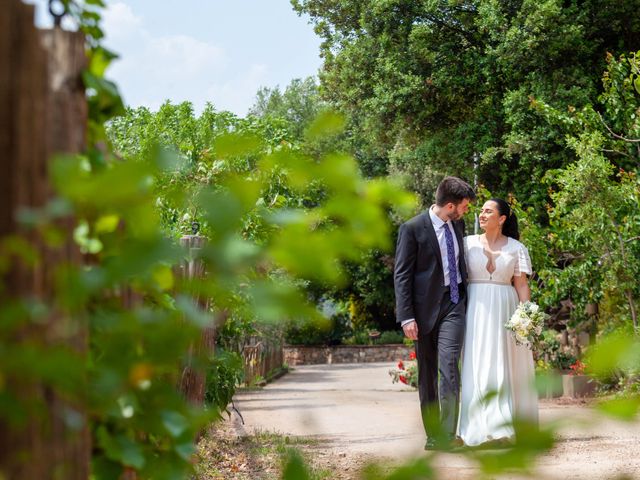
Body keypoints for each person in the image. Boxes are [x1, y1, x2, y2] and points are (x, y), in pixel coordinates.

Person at [394, 176, 476, 449]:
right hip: (423, 311)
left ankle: (448, 435)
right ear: (450, 206)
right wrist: (406, 316)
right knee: (427, 373)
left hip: (453, 304)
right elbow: (402, 275)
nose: (466, 211)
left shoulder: (458, 224)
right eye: (464, 206)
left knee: (449, 365)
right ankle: (433, 436)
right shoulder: (413, 228)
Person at [457, 198, 538, 447]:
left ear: (501, 219)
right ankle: (475, 426)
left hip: (505, 306)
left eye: (488, 211)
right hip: (475, 308)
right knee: (475, 362)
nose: (481, 214)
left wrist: (526, 316)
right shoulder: (466, 244)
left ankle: (503, 427)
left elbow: (521, 284)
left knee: (504, 363)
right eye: (481, 210)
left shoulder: (516, 248)